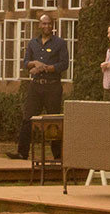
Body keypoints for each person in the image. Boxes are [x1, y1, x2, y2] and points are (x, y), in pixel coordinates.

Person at [13, 13, 69, 159]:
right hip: (36, 86)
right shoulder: (33, 43)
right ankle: (22, 153)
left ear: (53, 25)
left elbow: (64, 64)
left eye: (49, 24)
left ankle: (58, 156)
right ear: (39, 25)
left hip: (52, 87)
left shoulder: (60, 43)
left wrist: (46, 68)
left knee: (54, 121)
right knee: (27, 118)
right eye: (44, 24)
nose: (47, 26)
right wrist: (35, 64)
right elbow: (26, 63)